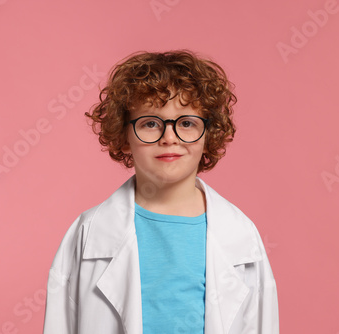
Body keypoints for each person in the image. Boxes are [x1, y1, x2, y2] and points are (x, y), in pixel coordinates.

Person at [42, 49, 279, 334]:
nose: (169, 138)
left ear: (208, 133)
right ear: (125, 136)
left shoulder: (241, 236)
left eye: (187, 123)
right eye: (151, 123)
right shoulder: (88, 233)